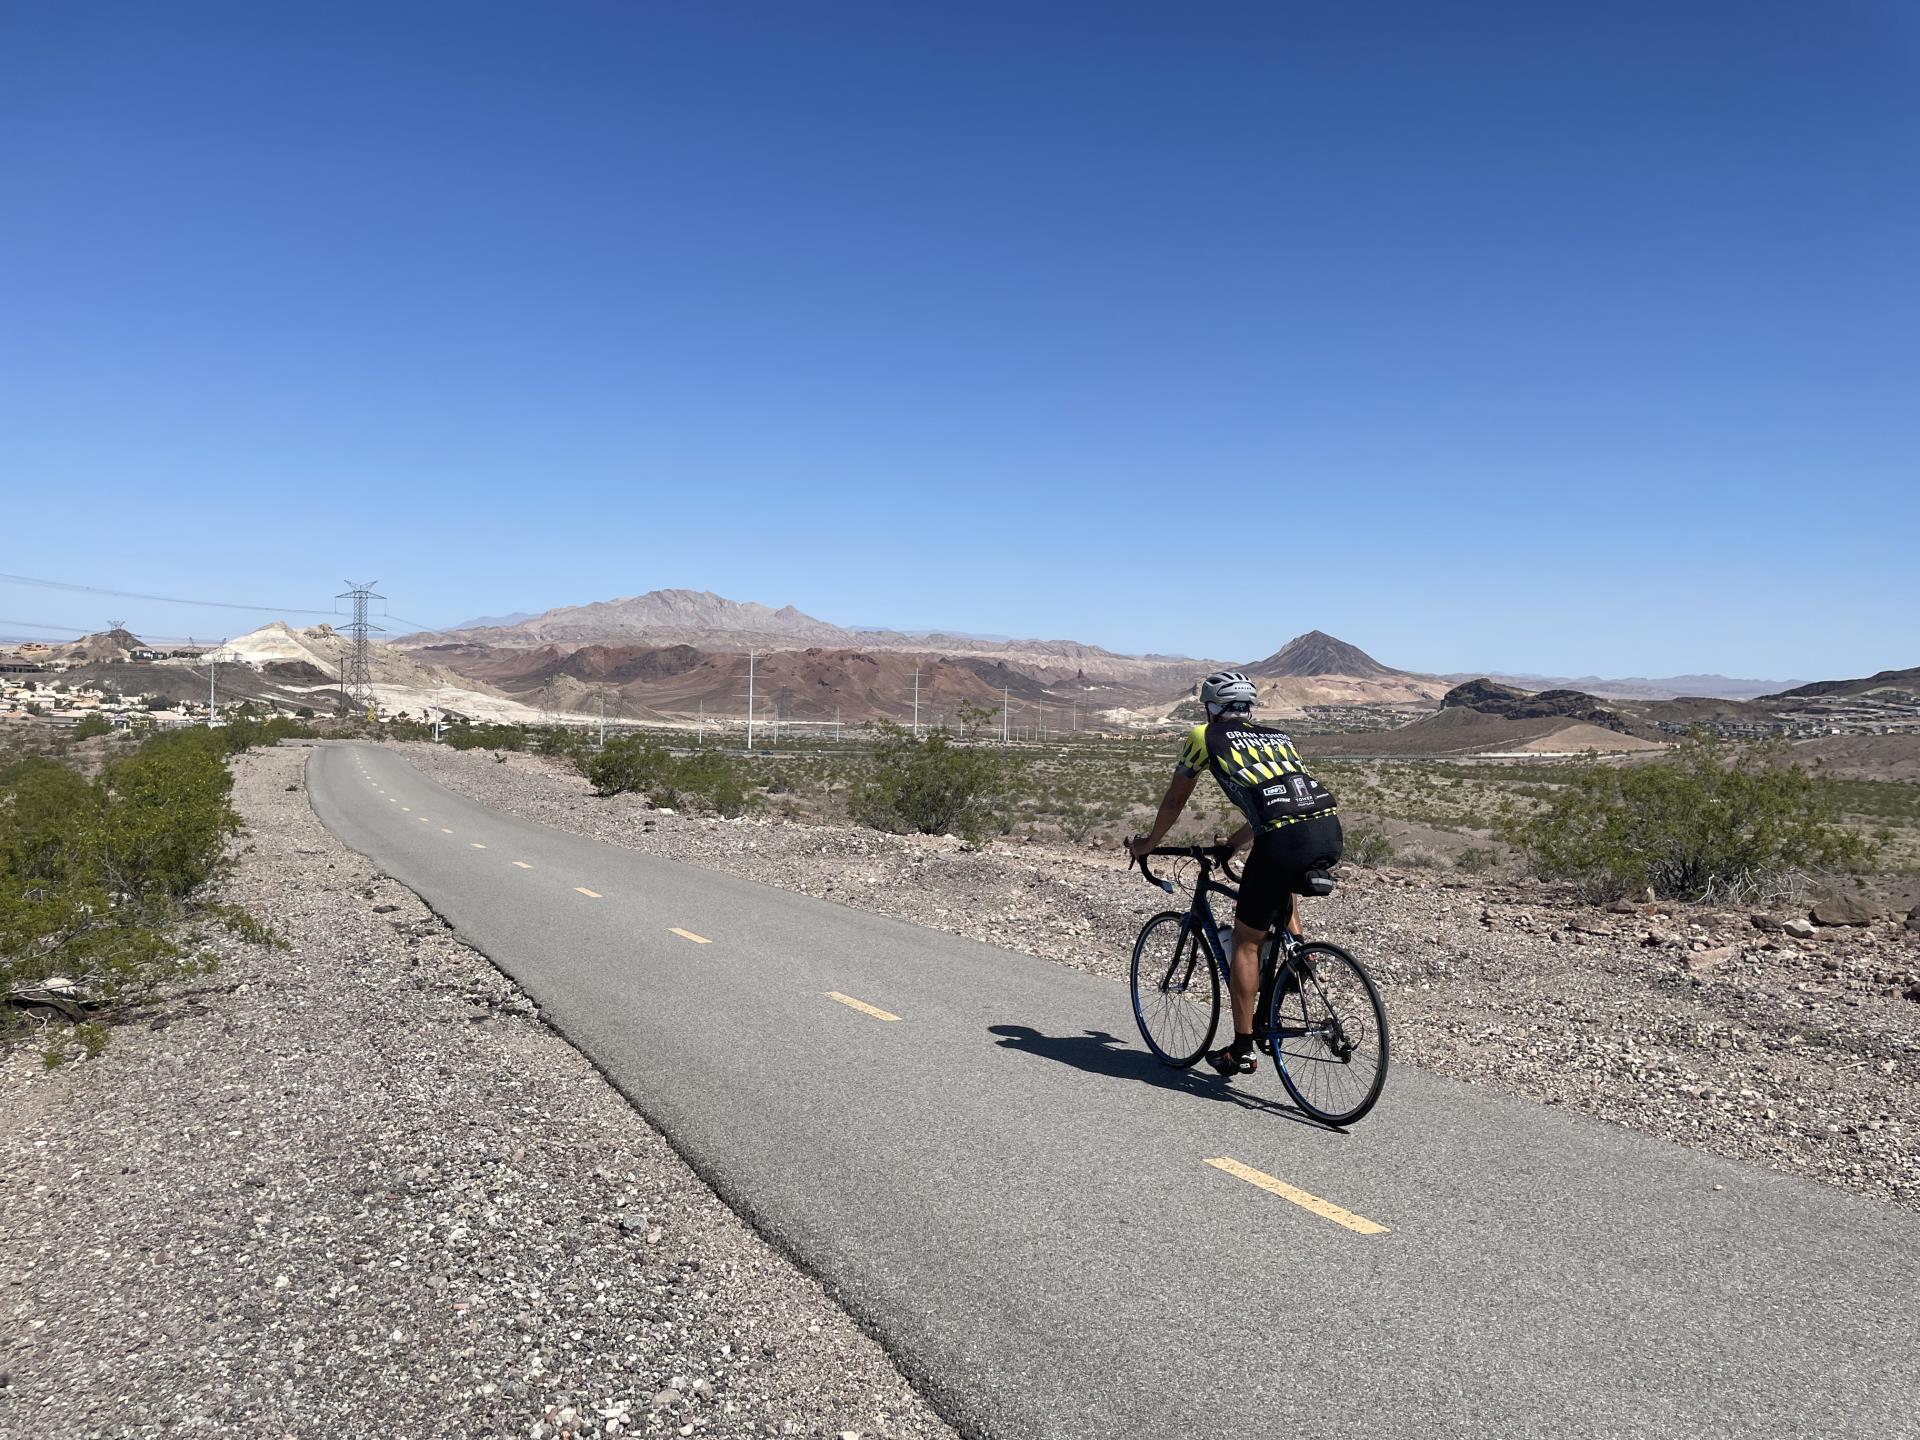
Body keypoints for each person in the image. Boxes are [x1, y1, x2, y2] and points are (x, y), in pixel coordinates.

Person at [1126, 670, 1342, 1077]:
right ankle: (1299, 955)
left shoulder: (1203, 736)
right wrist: (1236, 843)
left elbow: (1174, 801)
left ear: (1210, 706)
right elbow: (1279, 801)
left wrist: (1148, 844)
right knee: (1280, 878)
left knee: (1246, 941)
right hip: (1326, 830)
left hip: (1282, 840)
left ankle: (1242, 1048)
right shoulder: (1278, 736)